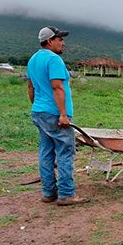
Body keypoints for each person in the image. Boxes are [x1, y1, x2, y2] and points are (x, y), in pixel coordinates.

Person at [27, 26, 89, 206]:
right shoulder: (54, 60)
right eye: (59, 39)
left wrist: (38, 107)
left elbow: (30, 88)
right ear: (49, 41)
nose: (63, 42)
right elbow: (57, 87)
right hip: (55, 114)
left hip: (40, 112)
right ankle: (67, 194)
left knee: (46, 152)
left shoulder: (33, 60)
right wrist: (63, 114)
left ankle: (48, 192)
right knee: (65, 152)